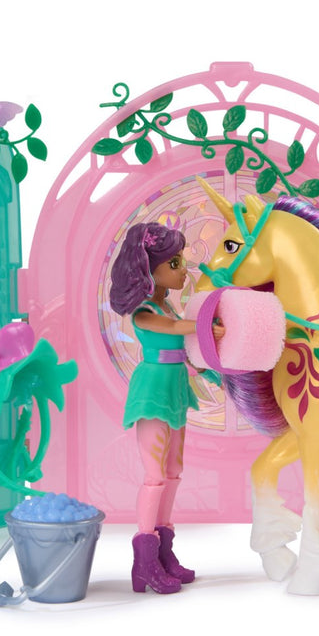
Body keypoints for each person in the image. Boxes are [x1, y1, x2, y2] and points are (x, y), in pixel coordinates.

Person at [109, 222, 224, 593]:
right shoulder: (144, 311)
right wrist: (204, 325)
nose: (183, 270)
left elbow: (182, 348)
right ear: (148, 269)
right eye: (174, 263)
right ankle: (144, 560)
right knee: (154, 475)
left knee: (174, 472)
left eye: (181, 261)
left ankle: (163, 552)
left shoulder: (166, 304)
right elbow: (173, 329)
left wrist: (209, 370)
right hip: (153, 392)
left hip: (175, 389)